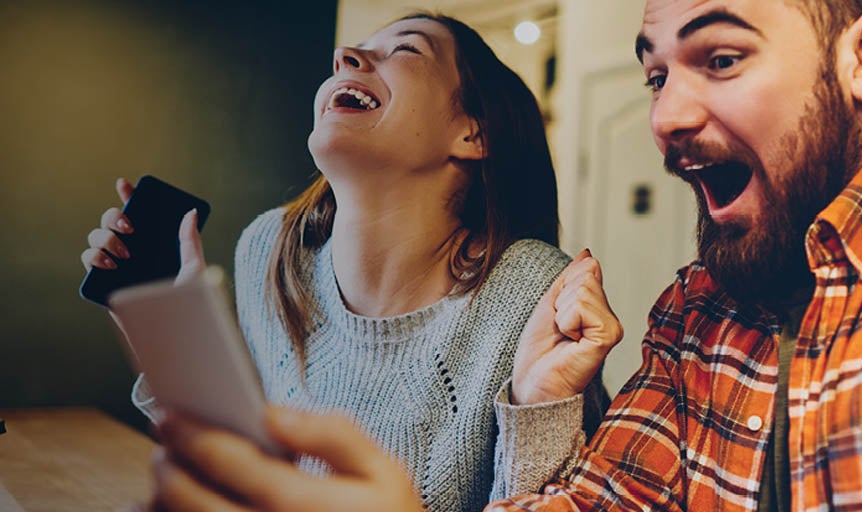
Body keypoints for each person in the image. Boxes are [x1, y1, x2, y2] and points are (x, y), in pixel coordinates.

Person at [129, 1, 862, 511]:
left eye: (720, 58)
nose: (668, 115)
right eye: (653, 73)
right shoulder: (697, 314)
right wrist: (541, 408)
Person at [80, 13, 606, 512]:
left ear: (474, 133)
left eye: (404, 49)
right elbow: (244, 475)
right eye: (353, 52)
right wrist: (173, 341)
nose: (344, 56)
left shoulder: (535, 290)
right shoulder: (269, 251)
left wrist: (542, 411)